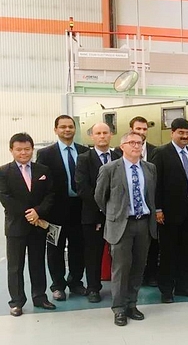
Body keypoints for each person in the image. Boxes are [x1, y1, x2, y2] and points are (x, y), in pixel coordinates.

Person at [95, 132, 157, 326]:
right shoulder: (110, 169)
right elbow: (99, 197)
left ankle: (132, 304)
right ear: (122, 146)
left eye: (140, 143)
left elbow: (151, 195)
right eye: (132, 143)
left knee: (139, 266)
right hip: (121, 224)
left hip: (144, 223)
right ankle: (119, 308)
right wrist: (115, 214)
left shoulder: (150, 168)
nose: (137, 146)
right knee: (121, 268)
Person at [151, 118, 188, 302]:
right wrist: (158, 209)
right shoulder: (161, 153)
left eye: (187, 133)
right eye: (180, 133)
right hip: (169, 212)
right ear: (172, 133)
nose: (184, 136)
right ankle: (167, 290)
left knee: (187, 251)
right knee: (169, 252)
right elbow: (155, 183)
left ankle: (184, 286)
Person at [0, 133, 56, 316]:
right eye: (19, 149)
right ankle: (16, 301)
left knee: (38, 262)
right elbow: (5, 198)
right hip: (16, 226)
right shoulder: (4, 172)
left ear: (32, 149)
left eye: (27, 149)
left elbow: (50, 194)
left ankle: (40, 296)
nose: (23, 153)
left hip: (37, 224)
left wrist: (38, 212)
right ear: (11, 150)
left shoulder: (43, 170)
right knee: (15, 266)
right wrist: (28, 214)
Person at [36, 115, 89, 301]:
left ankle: (75, 282)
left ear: (75, 129)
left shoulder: (84, 151)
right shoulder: (45, 154)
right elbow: (41, 186)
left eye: (70, 126)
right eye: (63, 127)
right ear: (56, 130)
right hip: (55, 211)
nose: (67, 130)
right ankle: (57, 285)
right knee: (54, 249)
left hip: (79, 209)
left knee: (78, 247)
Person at [75, 122, 122, 303]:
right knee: (93, 253)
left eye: (105, 133)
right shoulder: (84, 159)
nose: (102, 136)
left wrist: (116, 208)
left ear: (111, 135)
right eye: (98, 133)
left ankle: (120, 287)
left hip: (118, 215)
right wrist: (103, 207)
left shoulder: (119, 156)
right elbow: (82, 188)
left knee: (119, 252)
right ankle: (93, 288)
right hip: (94, 214)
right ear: (92, 137)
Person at [130, 116, 160, 287]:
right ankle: (134, 277)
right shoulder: (119, 152)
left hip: (151, 204)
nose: (141, 132)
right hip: (131, 207)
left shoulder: (156, 151)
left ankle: (151, 275)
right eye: (138, 129)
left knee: (152, 240)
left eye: (144, 129)